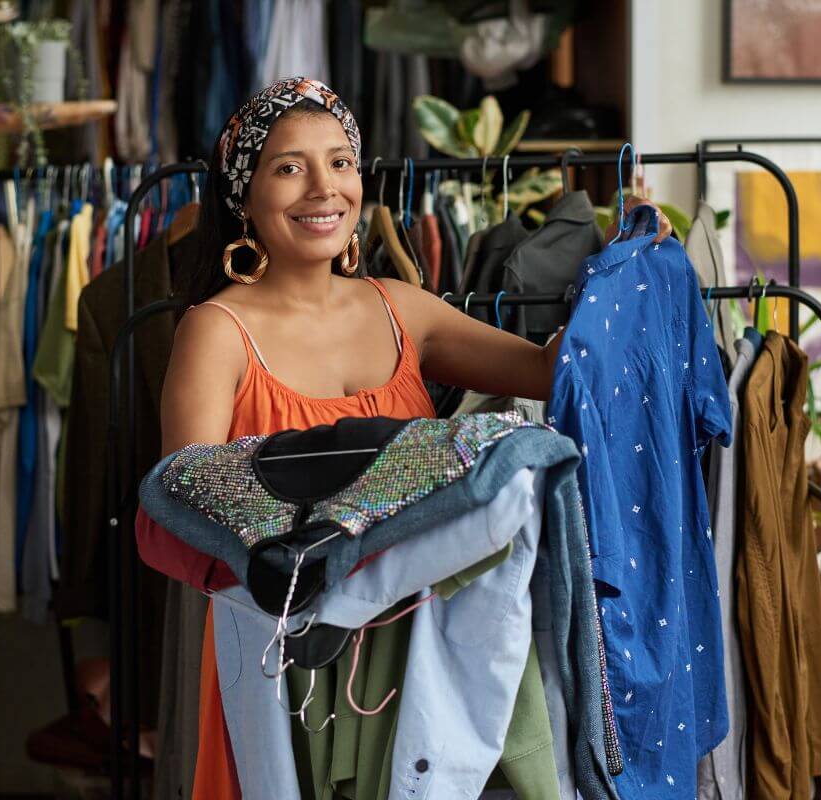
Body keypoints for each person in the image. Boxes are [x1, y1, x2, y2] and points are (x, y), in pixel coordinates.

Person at [149, 76, 670, 799]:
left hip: (419, 644)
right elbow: (184, 511)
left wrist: (623, 268)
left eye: (339, 161)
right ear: (244, 195)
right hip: (282, 657)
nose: (322, 188)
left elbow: (553, 374)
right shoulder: (216, 332)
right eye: (289, 167)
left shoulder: (402, 309)